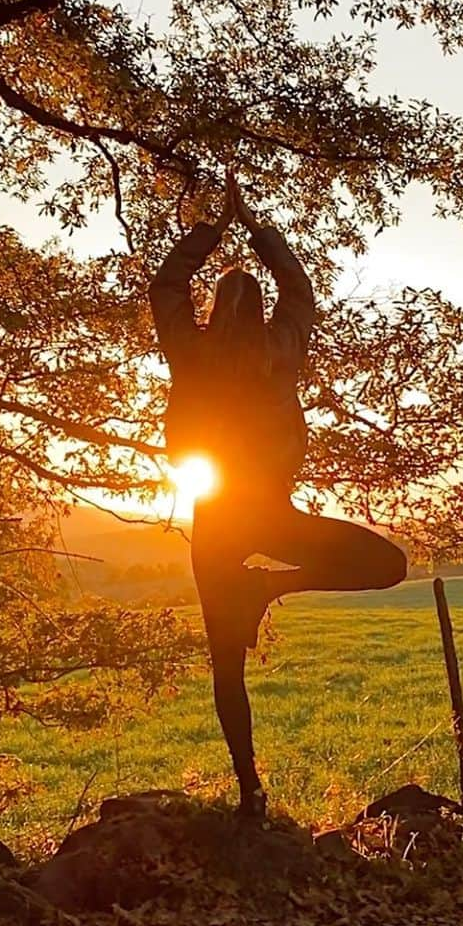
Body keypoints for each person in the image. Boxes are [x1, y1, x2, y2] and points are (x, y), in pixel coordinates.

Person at [149, 169, 407, 819]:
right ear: (261, 310)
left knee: (225, 666)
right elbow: (301, 289)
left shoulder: (192, 348)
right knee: (388, 564)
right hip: (270, 512)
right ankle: (270, 587)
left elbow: (165, 286)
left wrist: (212, 227)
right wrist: (259, 230)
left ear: (212, 310)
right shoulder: (281, 349)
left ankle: (249, 792)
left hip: (216, 519)